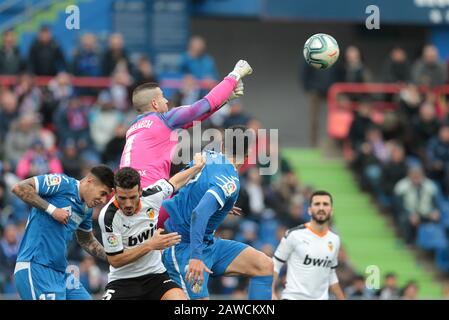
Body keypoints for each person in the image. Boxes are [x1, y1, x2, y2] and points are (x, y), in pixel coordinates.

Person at [120, 60, 251, 226]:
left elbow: (194, 118)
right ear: (154, 103)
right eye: (162, 97)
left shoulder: (133, 128)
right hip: (152, 201)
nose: (166, 100)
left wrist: (226, 99)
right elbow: (201, 106)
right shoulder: (162, 119)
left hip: (127, 201)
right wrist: (234, 76)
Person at [162, 126, 274, 300]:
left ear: (222, 145)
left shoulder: (206, 156)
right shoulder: (229, 181)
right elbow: (198, 214)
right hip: (185, 248)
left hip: (208, 244)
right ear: (249, 154)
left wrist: (221, 206)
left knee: (264, 265)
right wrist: (196, 257)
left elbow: (186, 187)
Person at [99, 154, 205, 300]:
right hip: (123, 282)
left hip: (156, 277)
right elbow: (115, 261)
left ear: (140, 192)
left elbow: (175, 182)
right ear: (115, 193)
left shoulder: (152, 195)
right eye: (122, 198)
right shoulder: (108, 217)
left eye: (132, 197)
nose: (128, 204)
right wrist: (150, 245)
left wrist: (196, 168)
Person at [12, 165, 114, 300]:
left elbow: (86, 239)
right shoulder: (62, 183)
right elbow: (19, 188)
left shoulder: (86, 210)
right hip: (36, 267)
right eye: (103, 193)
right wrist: (52, 210)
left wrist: (113, 258)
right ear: (90, 182)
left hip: (61, 272)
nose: (103, 200)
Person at [272, 190, 345, 300]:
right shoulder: (294, 234)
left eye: (325, 204)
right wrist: (271, 292)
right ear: (310, 210)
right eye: (317, 204)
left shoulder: (335, 240)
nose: (321, 208)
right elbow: (275, 265)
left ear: (331, 210)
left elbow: (331, 273)